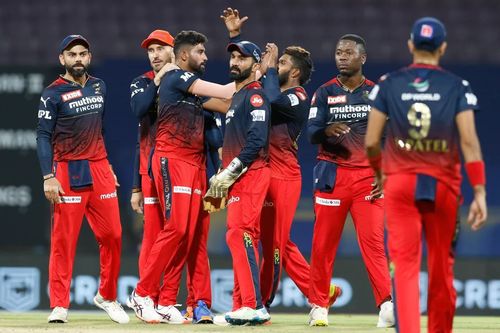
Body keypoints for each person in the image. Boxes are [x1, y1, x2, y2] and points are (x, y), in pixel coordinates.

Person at [365, 17, 487, 333]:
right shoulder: (458, 86)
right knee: (441, 267)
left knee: (404, 268)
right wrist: (480, 192)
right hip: (443, 183)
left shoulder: (388, 84)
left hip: (400, 183)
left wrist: (380, 174)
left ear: (410, 45)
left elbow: (370, 141)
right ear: (443, 47)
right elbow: (470, 142)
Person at [219, 7, 343, 314]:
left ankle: (262, 303)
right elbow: (248, 72)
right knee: (257, 238)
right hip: (259, 171)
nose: (274, 64)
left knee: (276, 244)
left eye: (283, 62)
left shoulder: (298, 97)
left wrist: (271, 69)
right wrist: (237, 36)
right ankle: (316, 292)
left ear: (295, 72)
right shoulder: (266, 89)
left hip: (284, 177)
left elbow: (272, 97)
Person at [128, 30, 235, 323]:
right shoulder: (174, 78)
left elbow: (226, 106)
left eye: (160, 48)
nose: (205, 57)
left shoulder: (191, 89)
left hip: (194, 165)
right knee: (173, 229)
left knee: (186, 234)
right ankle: (142, 293)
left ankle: (165, 301)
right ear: (185, 55)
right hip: (170, 160)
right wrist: (257, 72)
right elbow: (228, 93)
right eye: (201, 52)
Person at [36, 35, 129, 324]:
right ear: (62, 59)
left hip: (99, 168)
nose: (78, 58)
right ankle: (60, 305)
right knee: (64, 241)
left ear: (89, 57)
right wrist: (48, 176)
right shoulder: (52, 94)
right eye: (72, 54)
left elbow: (98, 130)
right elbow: (42, 136)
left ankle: (107, 296)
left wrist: (107, 165)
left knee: (113, 235)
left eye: (83, 53)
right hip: (66, 170)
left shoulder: (100, 86)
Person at [306, 34, 394, 327]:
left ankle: (386, 306)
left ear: (362, 58)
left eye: (347, 52)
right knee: (322, 245)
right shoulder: (324, 92)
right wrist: (327, 130)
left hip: (368, 179)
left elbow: (389, 137)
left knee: (373, 244)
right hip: (333, 175)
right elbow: (311, 133)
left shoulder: (377, 93)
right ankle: (319, 305)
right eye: (338, 52)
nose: (341, 56)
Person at [204, 38, 272, 325]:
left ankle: (254, 305)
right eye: (232, 57)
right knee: (244, 238)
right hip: (240, 176)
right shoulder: (238, 97)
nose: (234, 62)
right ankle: (246, 306)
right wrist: (222, 173)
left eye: (242, 59)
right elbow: (235, 143)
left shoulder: (255, 96)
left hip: (252, 173)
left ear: (255, 66)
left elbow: (257, 140)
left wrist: (229, 172)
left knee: (238, 233)